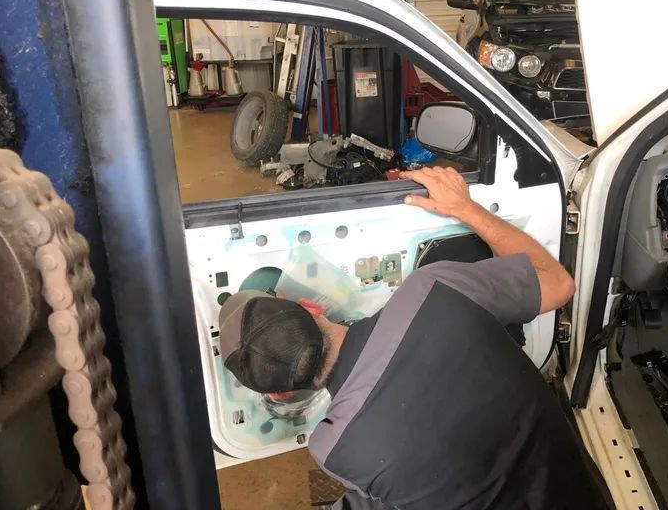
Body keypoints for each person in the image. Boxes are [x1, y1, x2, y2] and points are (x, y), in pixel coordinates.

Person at [219, 167, 610, 510]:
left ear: (281, 395)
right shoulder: (431, 288)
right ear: (311, 305)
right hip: (582, 492)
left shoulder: (333, 449)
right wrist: (465, 208)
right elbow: (558, 283)